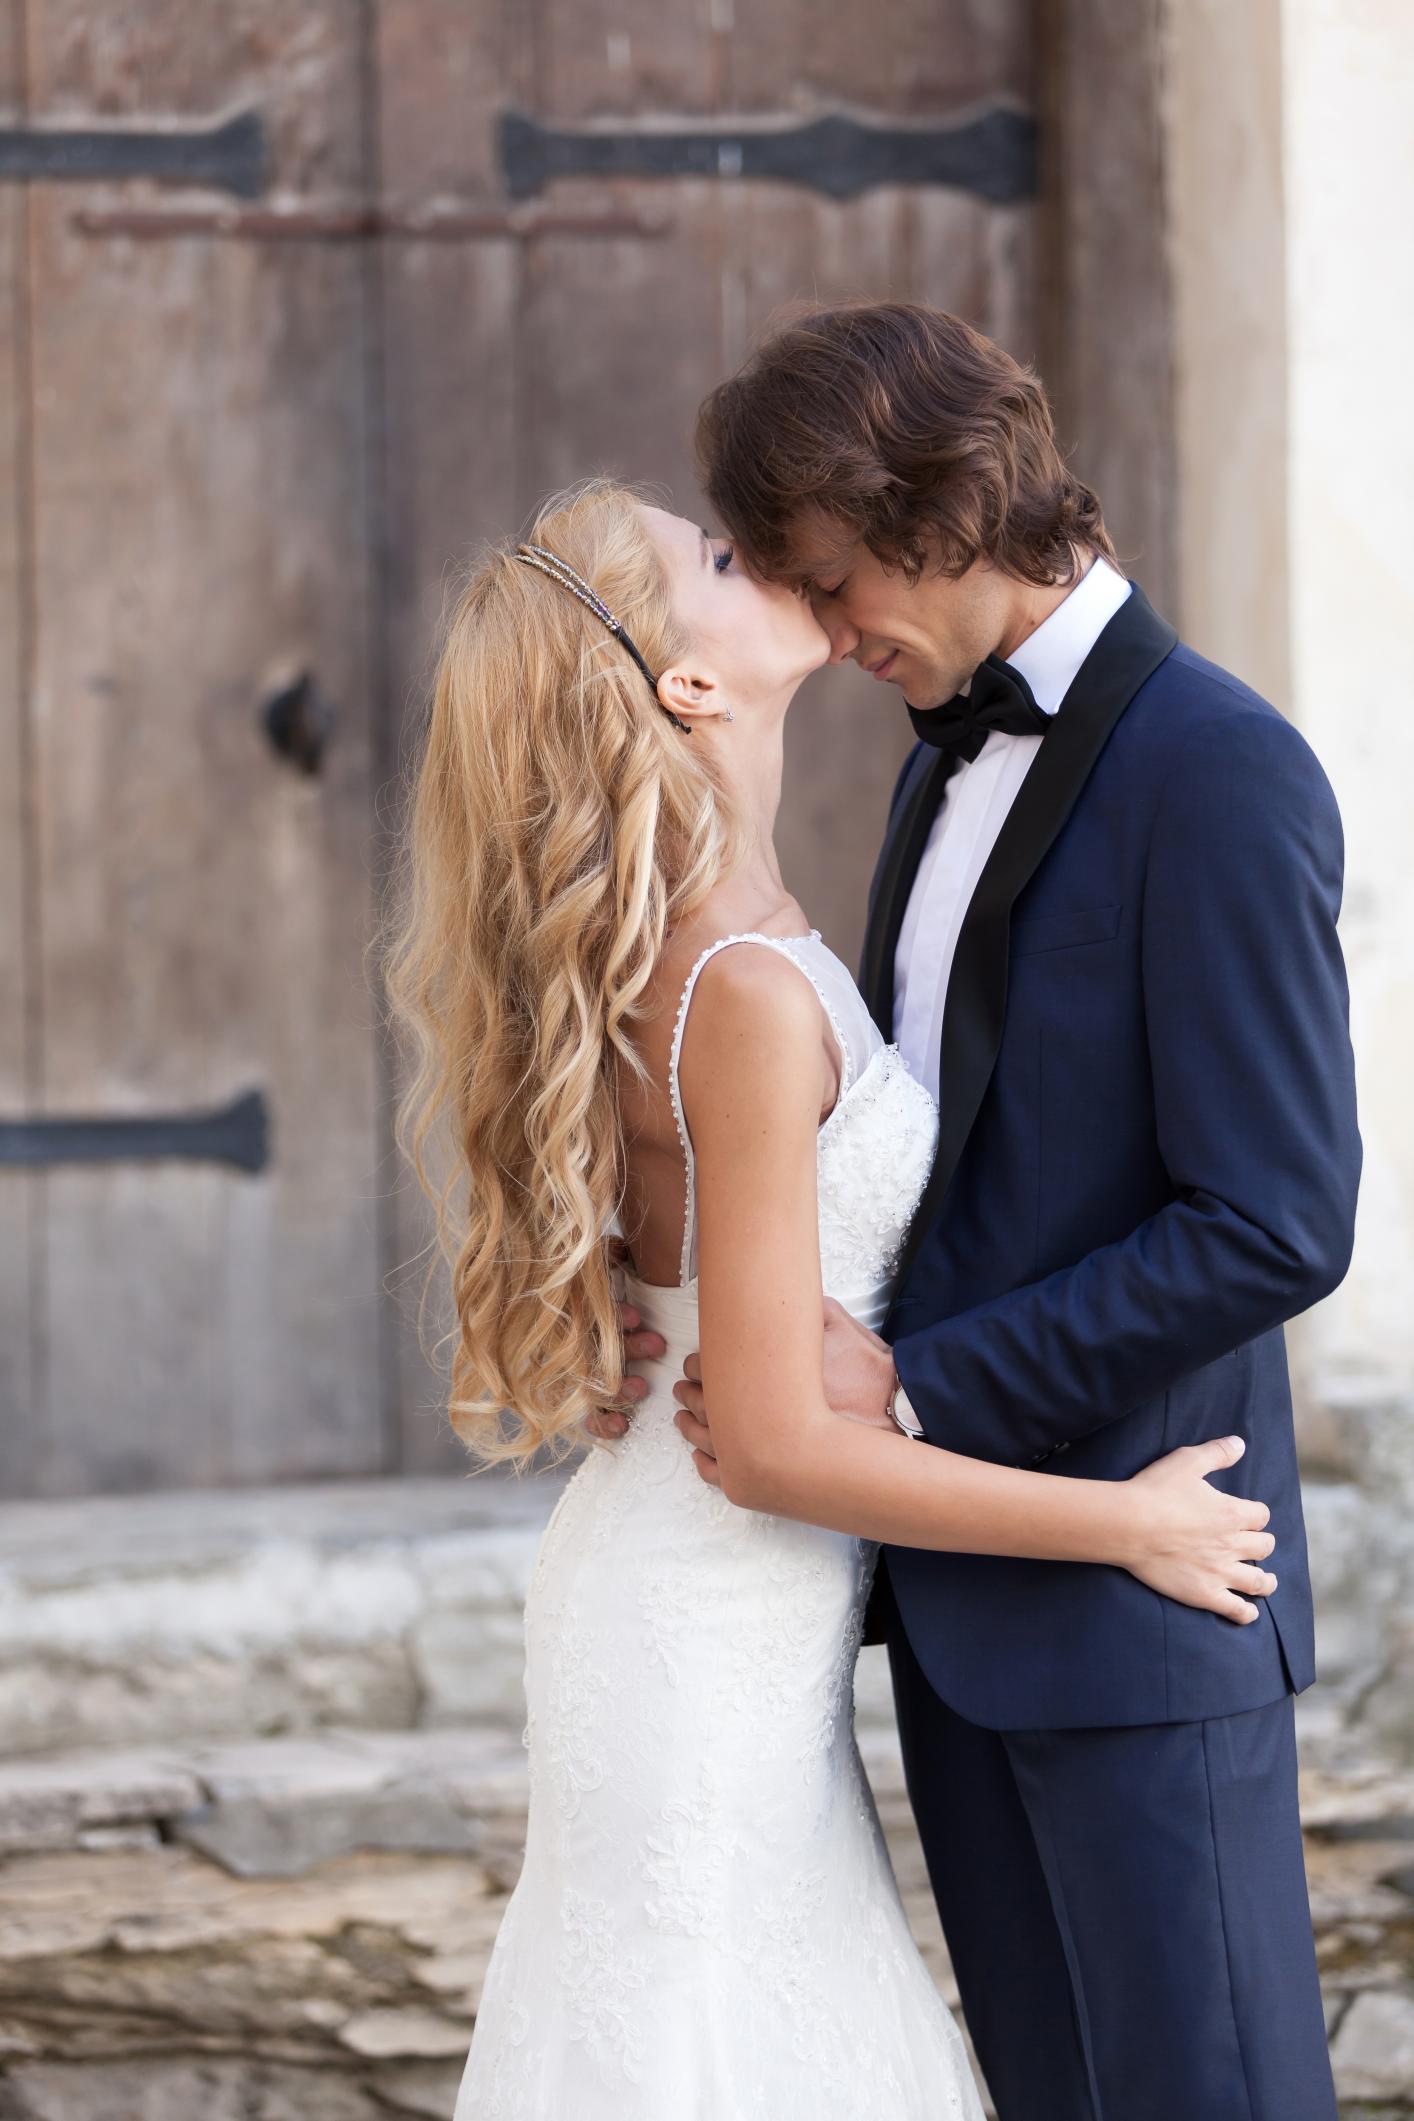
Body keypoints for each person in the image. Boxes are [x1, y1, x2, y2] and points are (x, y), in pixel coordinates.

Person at [385, 471, 1286, 2119]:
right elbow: (783, 1446)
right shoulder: (731, 983)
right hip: (705, 1613)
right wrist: (1126, 1525)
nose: (785, 558)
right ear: (690, 685)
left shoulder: (731, 941)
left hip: (713, 1610)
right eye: (724, 560)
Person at [635, 302, 1360, 2120]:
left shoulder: (1219, 768)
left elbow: (1275, 1218)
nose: (821, 625)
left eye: (826, 575)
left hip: (1143, 1592)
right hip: (956, 1620)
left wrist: (916, 1386)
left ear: (939, 507)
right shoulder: (930, 761)